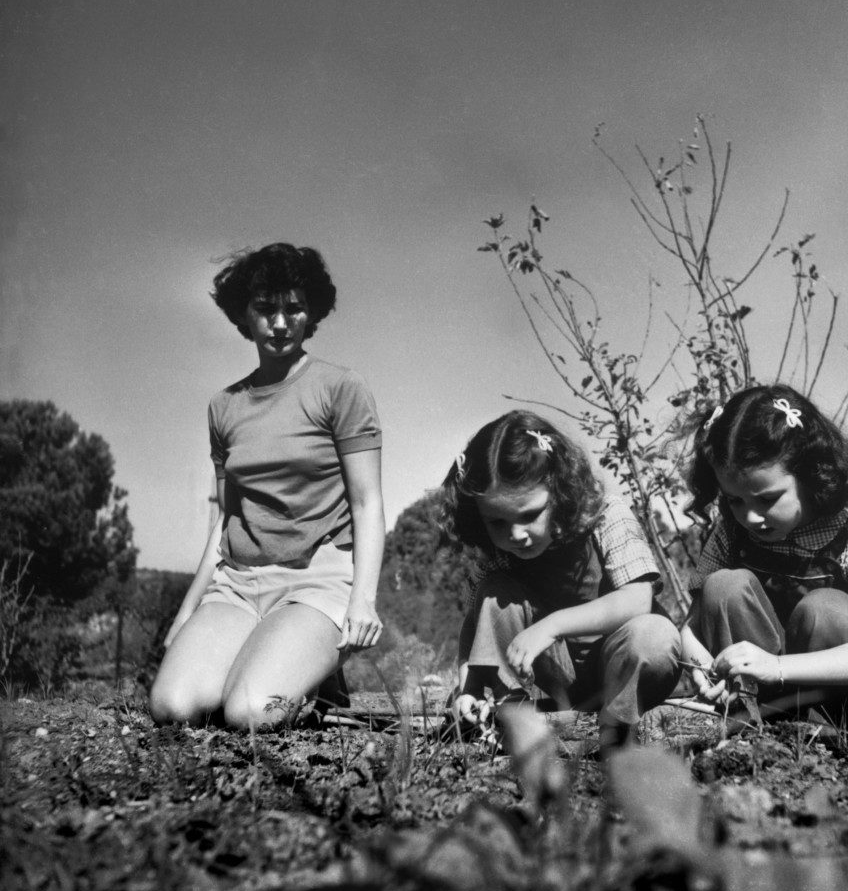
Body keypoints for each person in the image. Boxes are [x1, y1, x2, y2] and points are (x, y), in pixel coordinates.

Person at [149, 243, 385, 730]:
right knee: (172, 707)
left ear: (311, 313)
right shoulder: (223, 407)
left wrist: (363, 599)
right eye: (265, 308)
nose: (280, 323)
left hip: (316, 581)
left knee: (249, 711)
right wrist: (186, 612)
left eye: (294, 308)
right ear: (244, 314)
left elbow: (367, 503)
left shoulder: (341, 388)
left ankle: (312, 674)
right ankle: (279, 660)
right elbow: (224, 520)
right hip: (238, 585)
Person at [441, 410, 682, 754]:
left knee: (656, 636)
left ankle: (617, 730)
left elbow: (637, 599)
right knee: (494, 594)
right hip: (559, 675)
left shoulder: (605, 516)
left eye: (530, 515)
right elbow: (476, 629)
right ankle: (513, 718)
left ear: (559, 489)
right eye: (497, 522)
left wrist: (552, 626)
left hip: (621, 665)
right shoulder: (498, 553)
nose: (516, 534)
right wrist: (469, 690)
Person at [679, 383, 848, 733]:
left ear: (810, 475)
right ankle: (752, 721)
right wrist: (703, 668)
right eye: (735, 500)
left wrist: (777, 668)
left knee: (826, 608)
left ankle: (826, 736)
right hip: (762, 702)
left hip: (846, 706)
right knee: (723, 585)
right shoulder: (730, 533)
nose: (750, 517)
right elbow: (691, 628)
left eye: (767, 499)